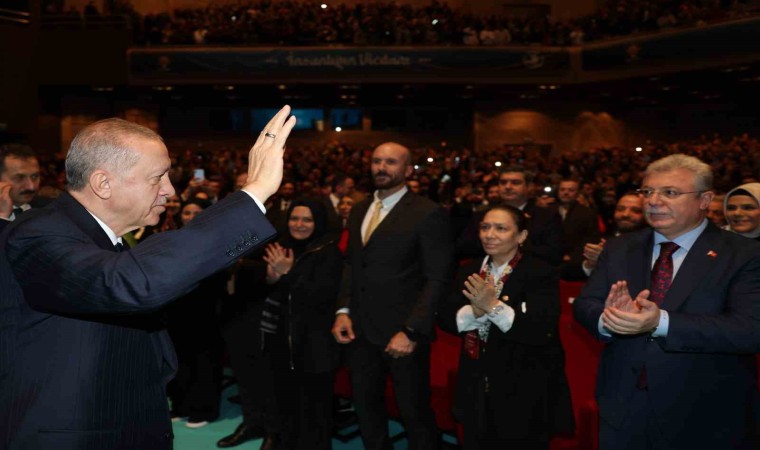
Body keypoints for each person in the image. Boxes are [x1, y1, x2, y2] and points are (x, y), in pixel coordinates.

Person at [0, 106, 296, 450]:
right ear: (103, 183)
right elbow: (129, 283)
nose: (169, 190)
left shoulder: (97, 236)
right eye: (157, 178)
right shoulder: (38, 234)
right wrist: (254, 193)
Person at [573, 154, 760, 450]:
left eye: (669, 192)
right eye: (647, 191)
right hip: (623, 407)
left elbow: (750, 330)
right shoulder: (620, 248)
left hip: (705, 412)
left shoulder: (744, 254)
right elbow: (586, 304)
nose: (653, 201)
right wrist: (611, 319)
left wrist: (659, 322)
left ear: (704, 200)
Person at [332, 142, 454, 450]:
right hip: (359, 331)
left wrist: (411, 330)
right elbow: (351, 265)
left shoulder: (428, 213)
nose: (381, 167)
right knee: (366, 408)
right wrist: (343, 311)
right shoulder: (359, 209)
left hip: (403, 332)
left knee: (414, 412)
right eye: (376, 161)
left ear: (408, 170)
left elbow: (437, 278)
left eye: (391, 162)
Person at [439, 205, 574, 450]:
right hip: (475, 383)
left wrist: (492, 306)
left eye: (501, 228)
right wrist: (474, 312)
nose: (489, 235)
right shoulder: (469, 269)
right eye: (485, 227)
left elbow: (540, 329)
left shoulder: (540, 272)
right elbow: (445, 317)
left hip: (524, 387)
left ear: (521, 236)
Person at [259, 199, 342, 450]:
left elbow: (321, 298)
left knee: (313, 413)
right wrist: (271, 279)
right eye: (294, 218)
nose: (299, 224)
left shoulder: (328, 252)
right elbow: (274, 292)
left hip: (314, 346)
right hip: (281, 340)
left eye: (307, 219)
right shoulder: (282, 246)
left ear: (318, 222)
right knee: (286, 404)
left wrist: (288, 273)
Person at [166, 198, 227, 428]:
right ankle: (181, 406)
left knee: (205, 362)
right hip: (177, 311)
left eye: (197, 212)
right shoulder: (173, 239)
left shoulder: (219, 241)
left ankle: (204, 410)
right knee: (180, 361)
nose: (191, 217)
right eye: (187, 212)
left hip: (206, 311)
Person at [0, 144, 44, 229]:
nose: (31, 187)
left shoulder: (53, 208)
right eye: (19, 178)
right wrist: (2, 217)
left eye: (34, 177)